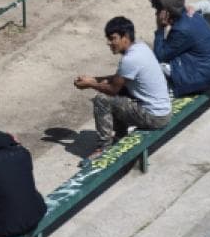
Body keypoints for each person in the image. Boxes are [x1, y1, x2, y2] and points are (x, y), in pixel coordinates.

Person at [73, 16, 172, 155]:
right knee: (120, 97)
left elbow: (113, 89)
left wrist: (90, 84)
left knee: (102, 99)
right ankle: (120, 135)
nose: (109, 43)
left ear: (125, 37)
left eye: (113, 38)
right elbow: (119, 79)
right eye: (108, 39)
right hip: (163, 111)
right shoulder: (141, 47)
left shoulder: (130, 59)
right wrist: (94, 79)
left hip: (155, 117)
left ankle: (104, 147)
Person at [150, 0, 210, 97]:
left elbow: (160, 55)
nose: (156, 13)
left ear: (167, 12)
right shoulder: (191, 16)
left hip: (205, 77)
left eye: (159, 10)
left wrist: (160, 28)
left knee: (153, 65)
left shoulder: (181, 29)